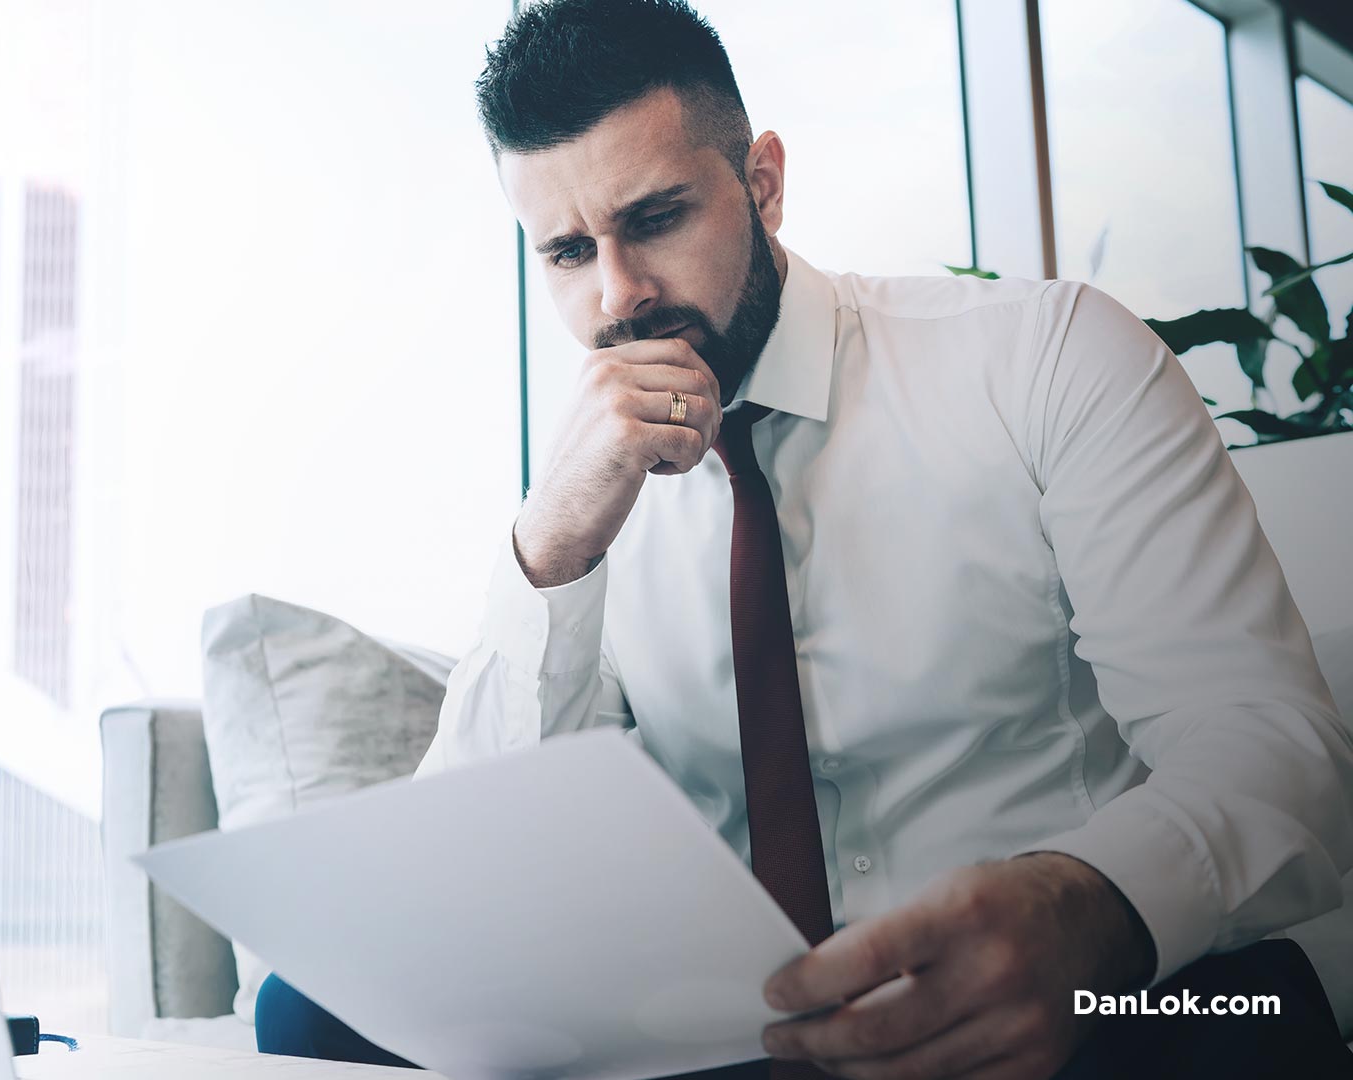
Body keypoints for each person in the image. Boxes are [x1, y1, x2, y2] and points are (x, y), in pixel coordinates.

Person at [256, 0, 1353, 1076]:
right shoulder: (583, 498)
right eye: (566, 252)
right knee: (306, 1015)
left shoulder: (1047, 358)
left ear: (762, 185)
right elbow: (472, 866)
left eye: (655, 219)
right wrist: (552, 550)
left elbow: (1271, 748)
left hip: (1066, 1006)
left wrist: (1090, 908)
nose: (619, 295)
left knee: (1258, 1016)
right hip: (742, 1035)